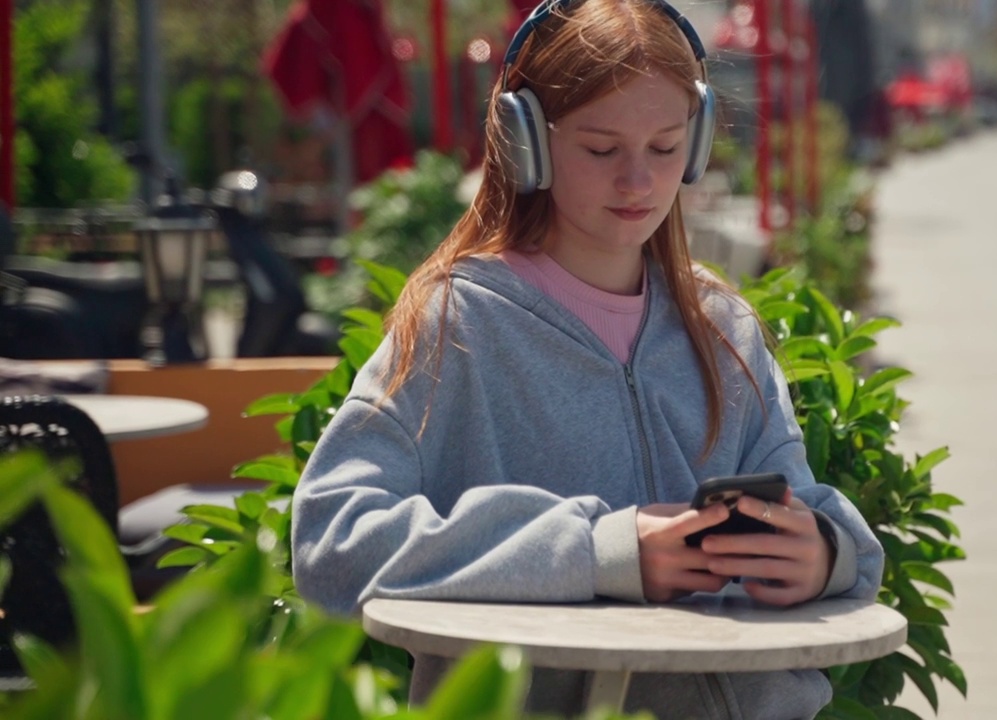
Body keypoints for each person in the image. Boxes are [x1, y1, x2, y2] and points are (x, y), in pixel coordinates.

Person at [291, 0, 884, 717]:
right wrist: (599, 552)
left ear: (695, 146)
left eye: (665, 149)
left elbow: (804, 500)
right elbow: (333, 540)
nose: (638, 182)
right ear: (525, 142)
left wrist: (823, 552)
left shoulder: (724, 326)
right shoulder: (458, 325)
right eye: (602, 150)